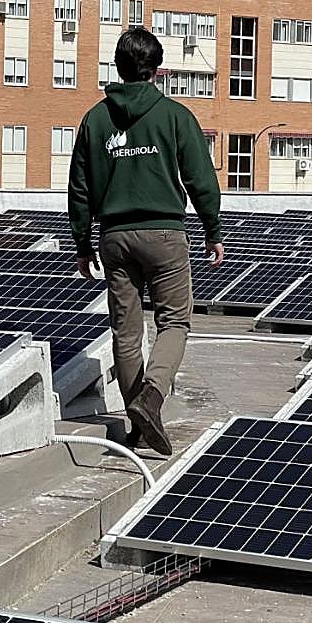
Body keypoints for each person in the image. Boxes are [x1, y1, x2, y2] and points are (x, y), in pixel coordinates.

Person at [68, 27, 224, 456]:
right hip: (164, 235)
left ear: (118, 68)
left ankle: (135, 425)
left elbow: (79, 187)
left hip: (113, 238)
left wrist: (82, 243)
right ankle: (151, 398)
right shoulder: (175, 115)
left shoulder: (96, 119)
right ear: (157, 70)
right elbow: (200, 178)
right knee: (174, 322)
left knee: (126, 329)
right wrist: (212, 229)